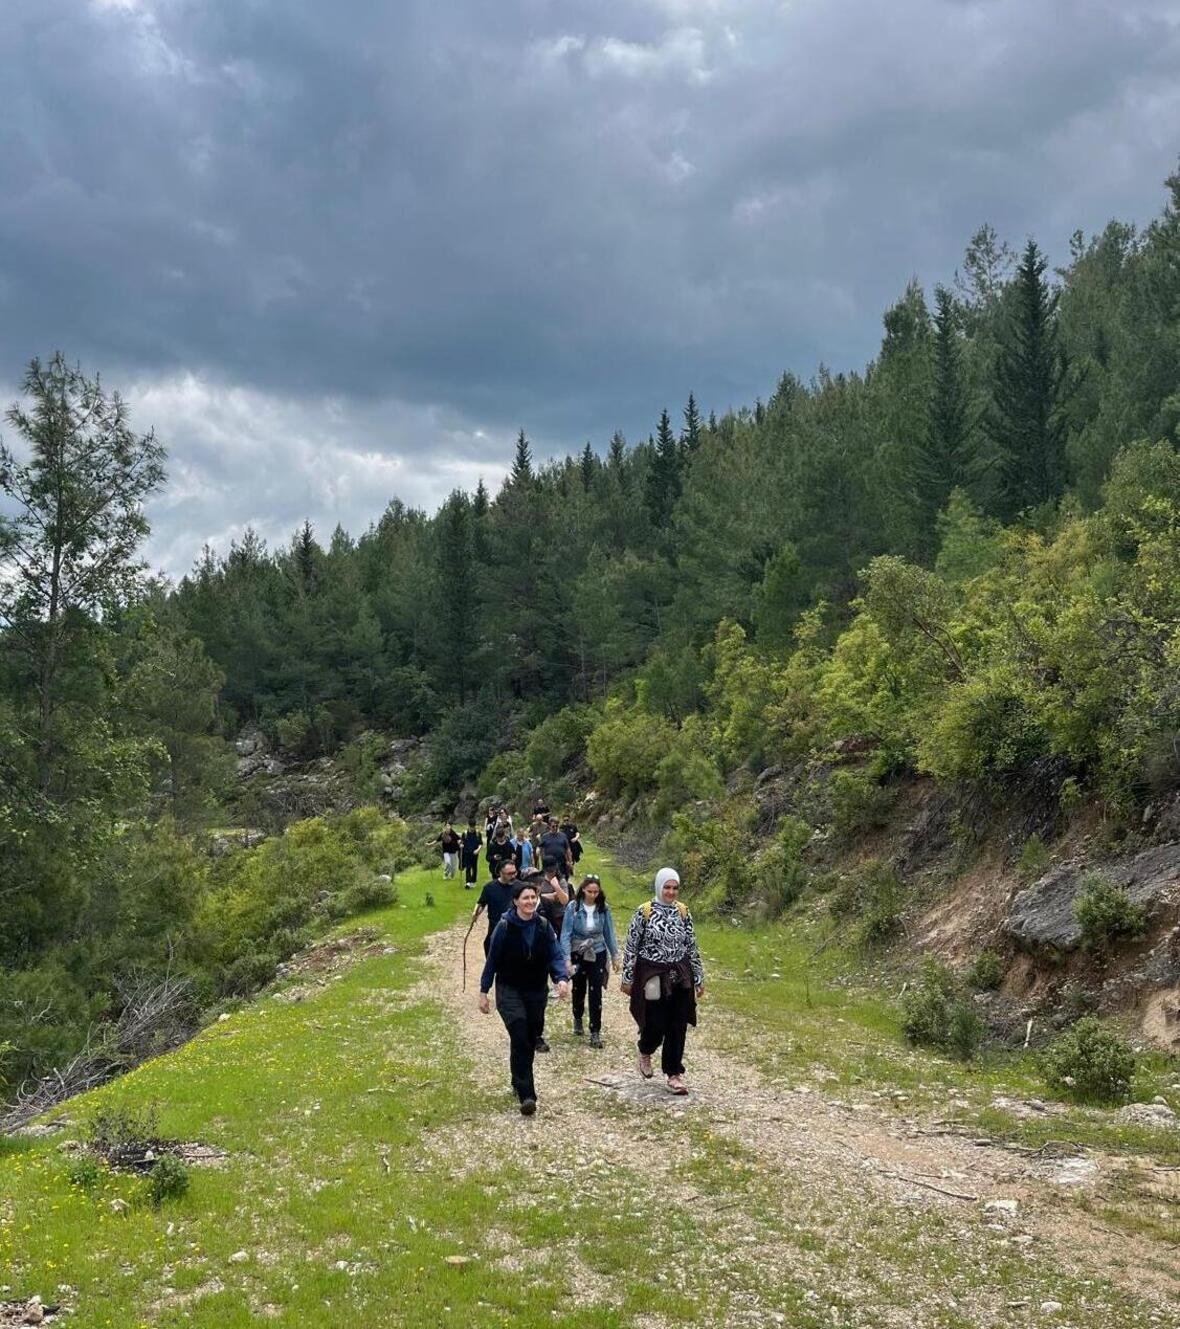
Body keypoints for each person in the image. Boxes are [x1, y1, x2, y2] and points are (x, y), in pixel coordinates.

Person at [478, 879, 569, 1115]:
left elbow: (555, 954)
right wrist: (484, 991)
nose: (530, 902)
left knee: (529, 1036)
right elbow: (492, 961)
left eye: (533, 897)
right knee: (519, 1033)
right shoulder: (504, 926)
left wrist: (561, 978)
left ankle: (517, 1078)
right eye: (525, 898)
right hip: (509, 989)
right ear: (516, 901)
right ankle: (527, 1094)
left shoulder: (543, 926)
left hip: (536, 990)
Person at [620, 867, 704, 1096]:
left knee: (678, 1024)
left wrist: (698, 977)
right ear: (659, 887)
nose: (671, 892)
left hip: (679, 975)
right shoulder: (644, 912)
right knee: (655, 1020)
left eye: (675, 888)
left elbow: (692, 946)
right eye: (667, 887)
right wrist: (627, 978)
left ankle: (674, 1073)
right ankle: (646, 1050)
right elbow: (631, 947)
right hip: (653, 976)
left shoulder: (683, 912)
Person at [560, 874, 620, 1048]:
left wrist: (615, 955)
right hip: (578, 951)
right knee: (578, 988)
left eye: (596, 891)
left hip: (597, 951)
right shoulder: (574, 907)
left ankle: (595, 1031)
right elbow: (565, 934)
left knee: (596, 991)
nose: (592, 895)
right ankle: (578, 1016)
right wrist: (566, 958)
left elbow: (609, 932)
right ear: (583, 890)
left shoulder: (603, 908)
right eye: (589, 891)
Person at [471, 859, 519, 954]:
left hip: (515, 929)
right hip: (495, 927)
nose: (513, 876)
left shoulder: (520, 887)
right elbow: (481, 903)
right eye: (509, 873)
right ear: (500, 873)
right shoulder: (490, 887)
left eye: (514, 872)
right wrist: (475, 913)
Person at [461, 820, 483, 888]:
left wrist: (478, 850)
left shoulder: (478, 834)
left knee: (474, 867)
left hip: (475, 853)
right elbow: (462, 842)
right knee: (468, 867)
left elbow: (480, 844)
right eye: (471, 827)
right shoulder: (465, 834)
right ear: (468, 826)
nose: (472, 828)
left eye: (473, 827)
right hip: (467, 853)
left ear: (475, 826)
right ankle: (468, 882)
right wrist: (461, 845)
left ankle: (473, 881)